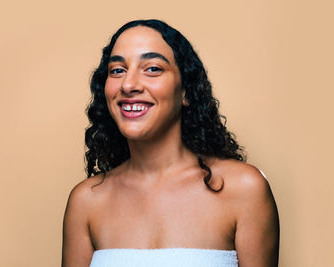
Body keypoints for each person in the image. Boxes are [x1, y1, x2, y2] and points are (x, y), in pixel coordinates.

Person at [62, 19, 279, 267]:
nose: (129, 84)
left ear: (186, 91)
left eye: (152, 68)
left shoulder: (243, 190)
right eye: (117, 70)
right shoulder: (87, 201)